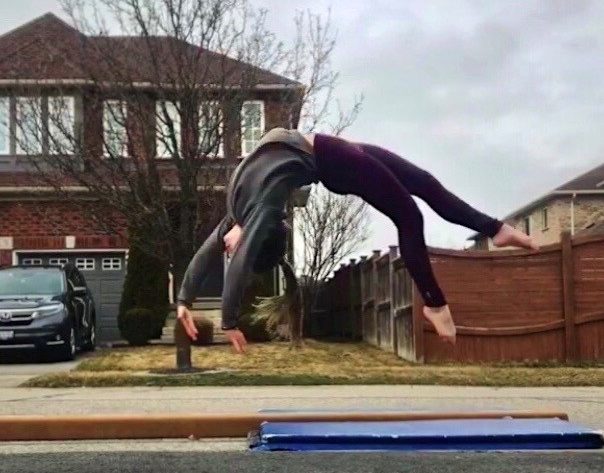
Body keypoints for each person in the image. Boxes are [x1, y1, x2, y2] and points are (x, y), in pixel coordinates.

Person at [177, 128, 538, 353]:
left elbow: (210, 252)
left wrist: (184, 300)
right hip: (333, 160)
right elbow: (233, 258)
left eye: (234, 245)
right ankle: (435, 304)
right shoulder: (260, 209)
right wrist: (228, 320)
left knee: (424, 183)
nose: (226, 247)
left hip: (334, 149)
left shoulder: (238, 210)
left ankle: (494, 229)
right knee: (409, 215)